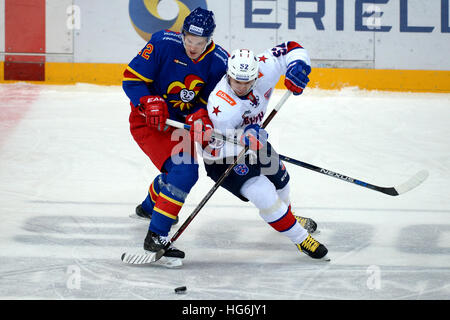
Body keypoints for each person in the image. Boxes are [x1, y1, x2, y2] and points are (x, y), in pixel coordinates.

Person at [202, 44, 329, 260]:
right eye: (236, 81)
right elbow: (212, 147)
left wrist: (298, 67)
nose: (241, 87)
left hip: (255, 140)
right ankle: (300, 239)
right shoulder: (221, 105)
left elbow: (292, 48)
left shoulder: (263, 68)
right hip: (223, 158)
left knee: (282, 179)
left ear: (255, 76)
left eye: (247, 82)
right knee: (264, 195)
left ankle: (288, 216)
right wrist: (243, 138)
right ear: (228, 75)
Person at [122, 7, 228, 263]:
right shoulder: (162, 43)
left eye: (199, 43)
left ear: (209, 40)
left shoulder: (219, 61)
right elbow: (131, 80)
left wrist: (202, 116)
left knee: (179, 174)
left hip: (181, 128)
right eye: (189, 40)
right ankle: (156, 235)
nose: (193, 47)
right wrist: (147, 100)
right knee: (185, 171)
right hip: (149, 122)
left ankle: (150, 208)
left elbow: (212, 102)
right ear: (182, 34)